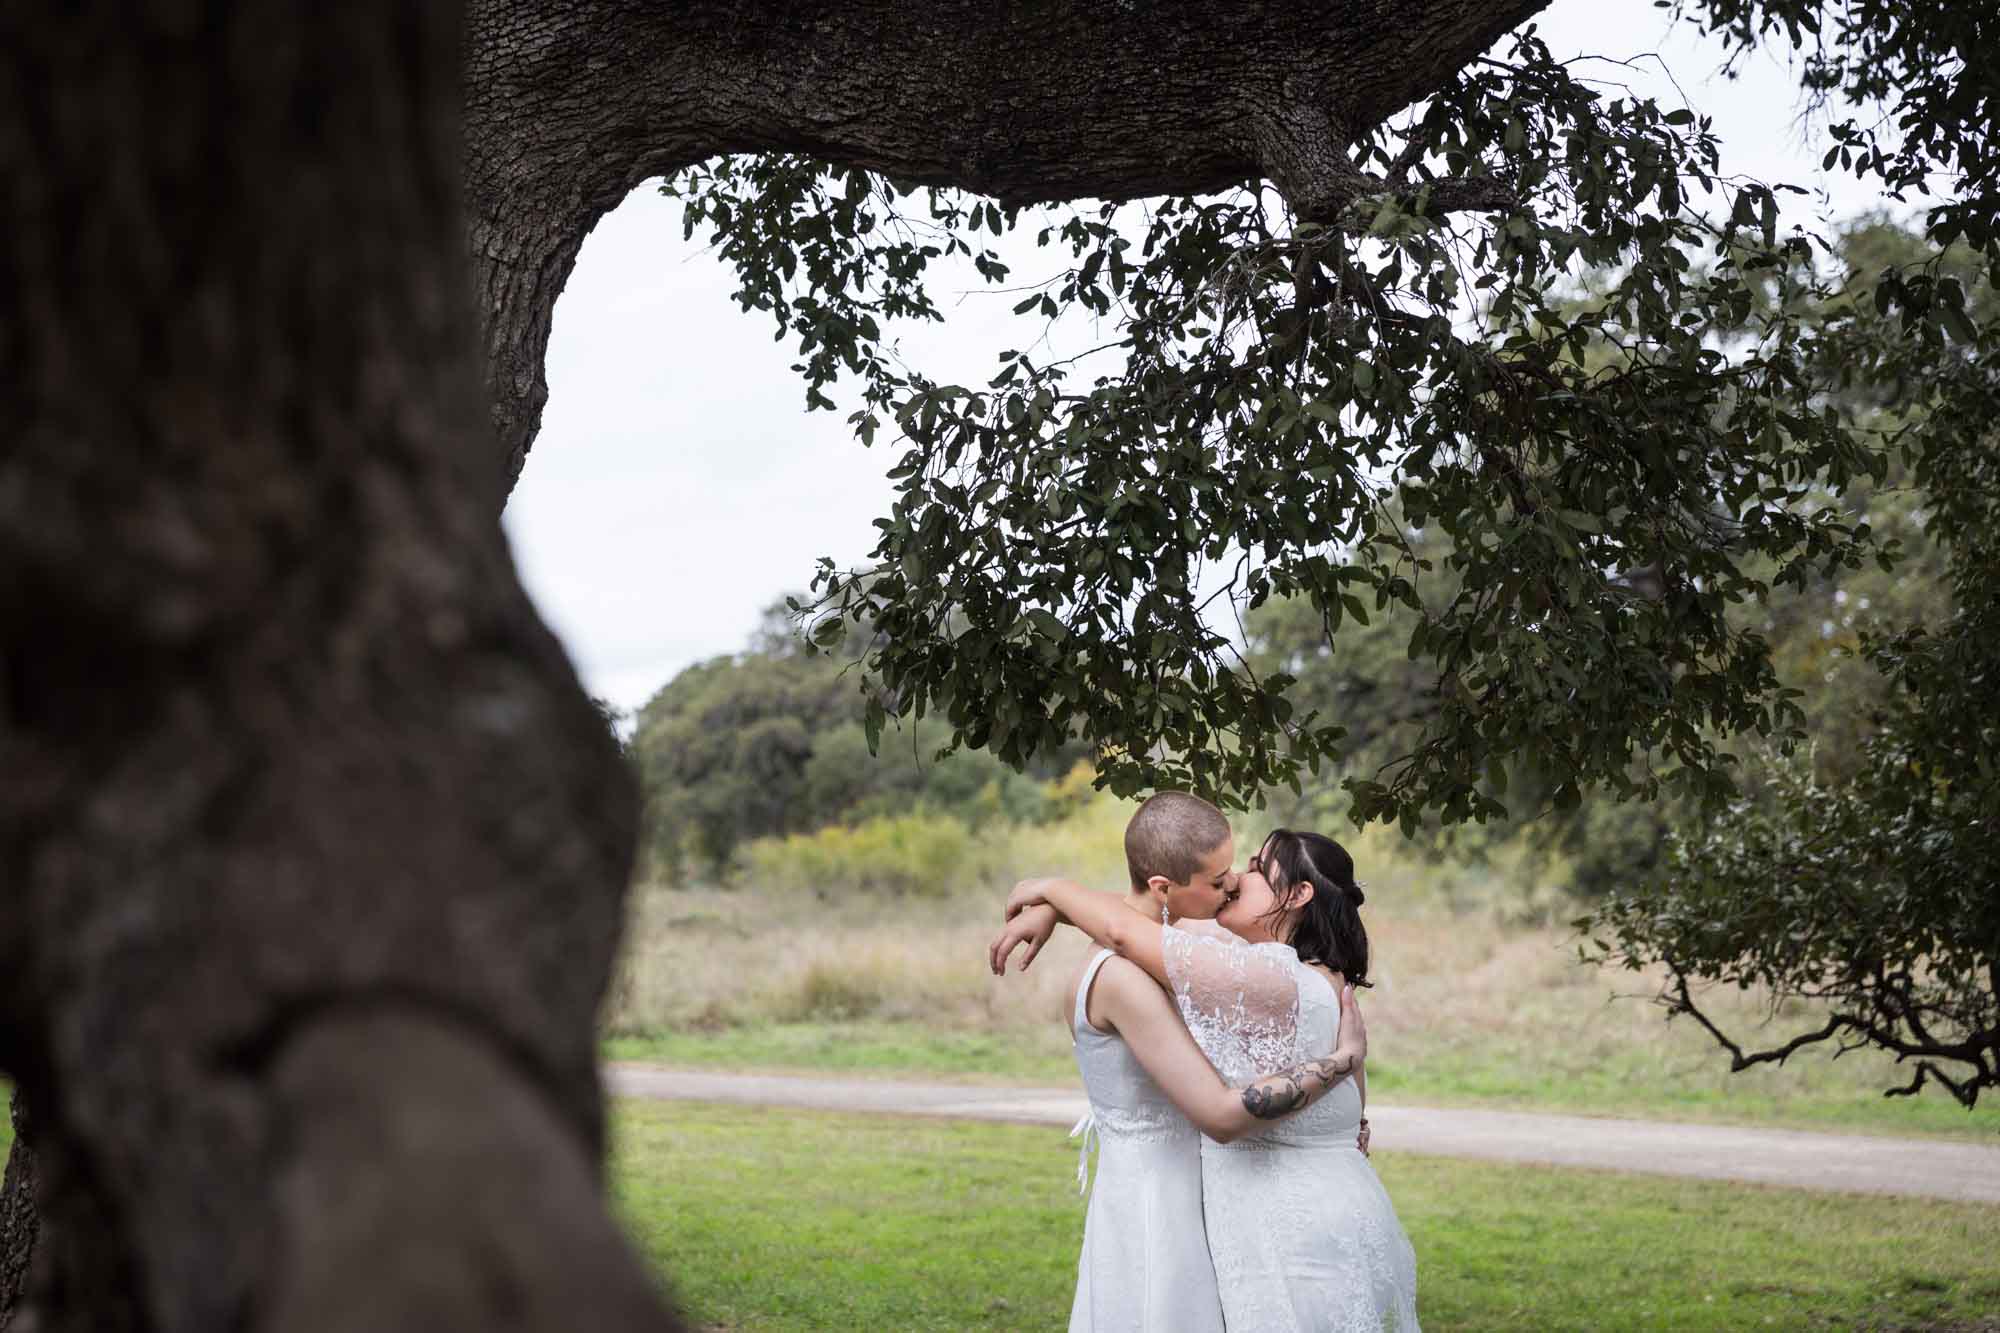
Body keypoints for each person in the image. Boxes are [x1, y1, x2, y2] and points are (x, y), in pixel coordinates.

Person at [996, 825, 1419, 1332]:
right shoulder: (1309, 974)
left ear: (1298, 895)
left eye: (1260, 869)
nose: (1239, 878)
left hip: (1291, 1231)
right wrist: (1055, 909)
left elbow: (1129, 931)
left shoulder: (1271, 979)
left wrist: (1052, 888)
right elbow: (1156, 910)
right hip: (1317, 1210)